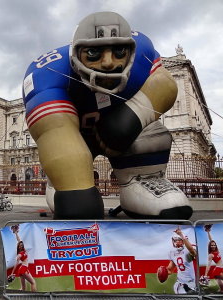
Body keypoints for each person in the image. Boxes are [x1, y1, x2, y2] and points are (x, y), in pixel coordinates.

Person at [22, 11, 192, 219]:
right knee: (76, 193)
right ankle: (64, 181)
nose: (109, 63)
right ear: (75, 55)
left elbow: (164, 84)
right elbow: (54, 128)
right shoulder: (47, 73)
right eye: (94, 54)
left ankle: (140, 178)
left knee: (151, 133)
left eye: (119, 51)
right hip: (74, 134)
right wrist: (75, 191)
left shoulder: (142, 51)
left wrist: (131, 117)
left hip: (126, 136)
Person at [165, 228, 197, 294]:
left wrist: (181, 234)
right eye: (175, 241)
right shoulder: (172, 253)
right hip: (180, 283)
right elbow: (170, 269)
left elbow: (191, 250)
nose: (177, 242)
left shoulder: (189, 249)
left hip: (192, 283)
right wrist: (164, 272)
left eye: (179, 240)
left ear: (183, 241)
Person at [9, 225, 37, 292]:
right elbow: (16, 263)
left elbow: (19, 240)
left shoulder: (23, 250)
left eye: (22, 245)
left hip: (22, 269)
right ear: (18, 247)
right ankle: (34, 296)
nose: (21, 246)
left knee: (23, 288)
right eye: (20, 246)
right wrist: (12, 273)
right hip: (23, 269)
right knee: (33, 283)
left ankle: (17, 296)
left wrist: (16, 233)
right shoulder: (20, 254)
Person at [201, 224, 223, 291]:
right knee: (221, 285)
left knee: (221, 286)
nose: (213, 246)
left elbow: (211, 240)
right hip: (218, 270)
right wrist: (205, 275)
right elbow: (208, 265)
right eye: (211, 245)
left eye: (214, 245)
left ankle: (220, 290)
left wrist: (208, 232)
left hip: (221, 268)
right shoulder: (211, 255)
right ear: (210, 247)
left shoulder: (217, 250)